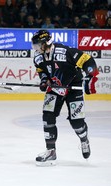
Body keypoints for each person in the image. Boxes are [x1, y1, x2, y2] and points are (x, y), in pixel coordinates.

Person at [31, 29, 99, 166]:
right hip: (56, 88)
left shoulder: (65, 51)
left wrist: (90, 78)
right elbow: (42, 71)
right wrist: (44, 80)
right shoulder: (38, 57)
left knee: (77, 122)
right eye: (35, 46)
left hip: (73, 87)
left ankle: (84, 138)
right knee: (47, 116)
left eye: (39, 45)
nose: (36, 48)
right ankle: (51, 151)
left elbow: (88, 60)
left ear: (47, 43)